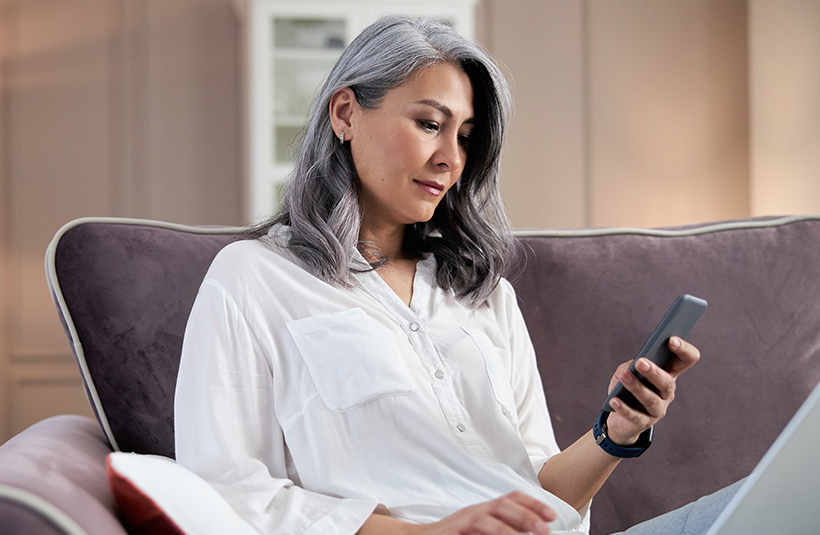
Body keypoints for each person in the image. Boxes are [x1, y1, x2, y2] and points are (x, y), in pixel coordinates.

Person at [174, 15, 735, 535]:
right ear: (345, 114)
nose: (451, 159)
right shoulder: (254, 278)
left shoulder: (484, 294)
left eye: (465, 135)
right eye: (428, 124)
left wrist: (617, 432)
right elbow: (226, 490)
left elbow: (542, 495)